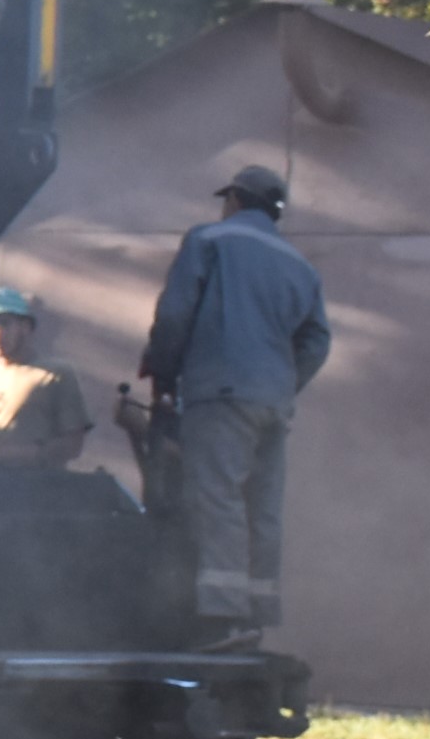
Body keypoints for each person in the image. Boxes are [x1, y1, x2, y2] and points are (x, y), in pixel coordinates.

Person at [139, 164, 330, 648]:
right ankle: (255, 616)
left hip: (219, 393)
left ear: (236, 200)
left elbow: (177, 311)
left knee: (217, 499)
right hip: (273, 401)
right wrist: (284, 384)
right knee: (261, 507)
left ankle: (221, 618)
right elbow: (317, 341)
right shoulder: (300, 265)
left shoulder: (209, 240)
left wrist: (162, 370)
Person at [0, 286, 91, 471]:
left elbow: (73, 443)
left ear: (25, 327)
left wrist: (21, 454)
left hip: (36, 490)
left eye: (5, 323)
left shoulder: (55, 374)